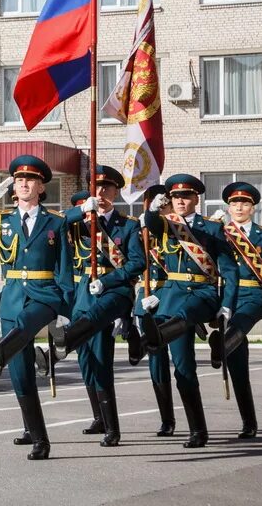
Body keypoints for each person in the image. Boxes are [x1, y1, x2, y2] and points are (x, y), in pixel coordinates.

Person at [0, 155, 73, 460]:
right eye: (18, 179)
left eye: (30, 179)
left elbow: (64, 268)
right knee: (21, 374)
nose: (23, 183)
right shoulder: (1, 221)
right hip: (12, 297)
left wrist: (65, 306)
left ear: (41, 186)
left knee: (26, 325)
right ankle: (39, 438)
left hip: (44, 295)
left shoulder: (55, 222)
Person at [37, 166, 145, 447]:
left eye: (107, 189)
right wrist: (84, 208)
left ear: (116, 192)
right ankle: (99, 418)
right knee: (87, 361)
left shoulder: (128, 225)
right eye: (96, 189)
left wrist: (111, 281)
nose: (101, 194)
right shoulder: (78, 223)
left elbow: (137, 263)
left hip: (112, 291)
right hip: (81, 294)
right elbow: (55, 225)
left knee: (101, 360)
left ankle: (113, 428)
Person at [139, 174, 238, 448]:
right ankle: (198, 430)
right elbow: (150, 224)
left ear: (197, 199)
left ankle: (198, 431)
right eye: (175, 197)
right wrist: (151, 210)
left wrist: (227, 305)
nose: (180, 201)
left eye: (186, 196)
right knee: (183, 370)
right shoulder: (167, 225)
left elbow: (229, 271)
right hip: (172, 298)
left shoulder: (212, 228)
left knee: (185, 328)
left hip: (202, 294)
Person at [207, 182, 262, 439]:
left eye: (245, 203)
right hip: (227, 295)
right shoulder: (219, 232)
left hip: (254, 295)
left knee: (241, 321)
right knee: (238, 366)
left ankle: (219, 348)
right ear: (228, 207)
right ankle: (249, 423)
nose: (239, 207)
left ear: (253, 208)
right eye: (234, 203)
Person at [126, 185, 177, 437]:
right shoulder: (138, 230)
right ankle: (166, 419)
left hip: (171, 298)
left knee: (180, 362)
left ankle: (140, 344)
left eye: (165, 204)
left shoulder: (179, 229)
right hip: (145, 299)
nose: (162, 208)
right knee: (157, 364)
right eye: (156, 204)